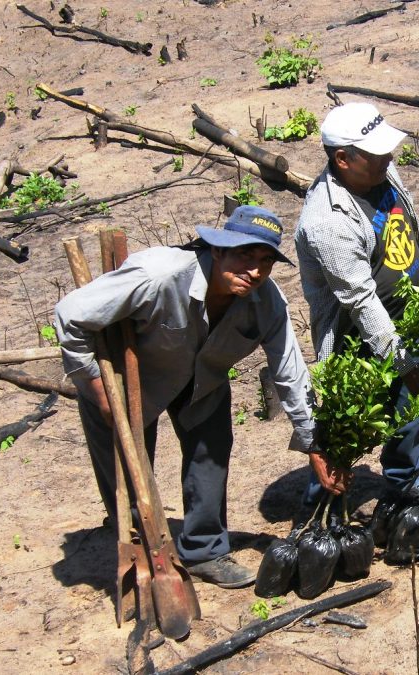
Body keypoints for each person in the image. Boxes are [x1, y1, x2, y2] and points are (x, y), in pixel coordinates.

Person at [54, 206, 318, 588]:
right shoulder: (159, 275)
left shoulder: (268, 302)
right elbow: (70, 314)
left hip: (202, 380)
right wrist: (98, 390)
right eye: (245, 255)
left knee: (210, 454)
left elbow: (290, 372)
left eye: (266, 261)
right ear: (218, 250)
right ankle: (141, 547)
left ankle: (203, 550)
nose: (255, 271)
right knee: (125, 472)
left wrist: (313, 443)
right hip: (126, 377)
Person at [295, 101, 419, 502]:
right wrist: (404, 363)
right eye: (376, 153)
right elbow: (361, 302)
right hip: (357, 338)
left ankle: (406, 487)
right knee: (346, 421)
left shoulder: (381, 170)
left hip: (405, 317)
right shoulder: (328, 220)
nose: (389, 157)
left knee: (406, 410)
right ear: (343, 159)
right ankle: (323, 505)